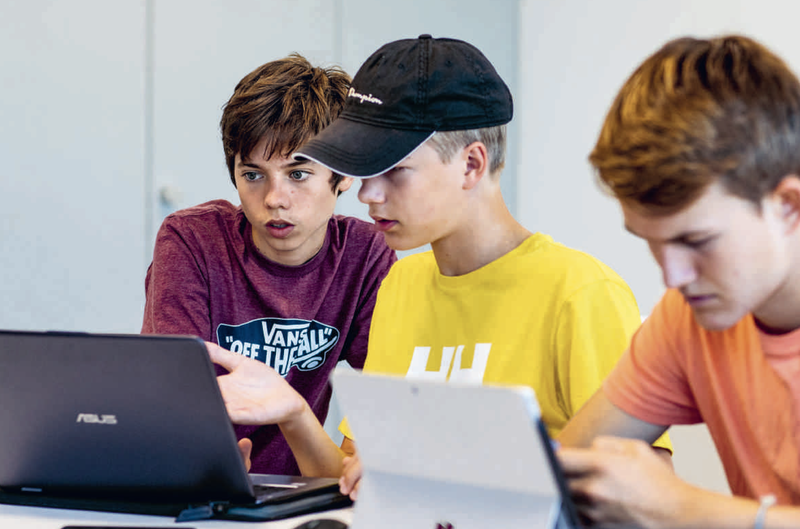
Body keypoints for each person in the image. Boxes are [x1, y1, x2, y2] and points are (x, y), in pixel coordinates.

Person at [290, 34, 671, 499]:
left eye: (394, 170)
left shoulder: (580, 290)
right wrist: (292, 412)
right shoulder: (400, 283)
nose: (368, 193)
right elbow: (357, 476)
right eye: (365, 170)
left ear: (471, 164)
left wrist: (440, 468)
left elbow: (649, 486)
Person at [555, 34, 800, 528]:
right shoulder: (686, 316)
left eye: (697, 241)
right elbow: (564, 473)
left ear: (786, 206)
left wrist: (678, 510)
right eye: (652, 242)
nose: (673, 276)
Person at [141, 54, 396, 476]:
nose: (275, 199)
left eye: (298, 174)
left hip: (300, 495)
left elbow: (383, 429)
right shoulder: (192, 240)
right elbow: (171, 399)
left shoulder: (366, 255)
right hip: (194, 481)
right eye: (253, 175)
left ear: (344, 173)